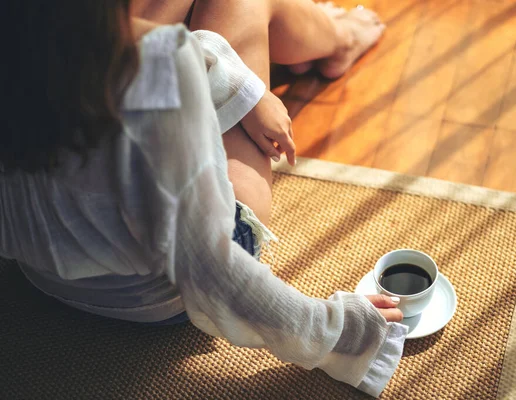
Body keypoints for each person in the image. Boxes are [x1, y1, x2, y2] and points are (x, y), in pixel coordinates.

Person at [1, 0, 405, 397]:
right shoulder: (159, 67)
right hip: (164, 296)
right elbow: (212, 270)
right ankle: (339, 36)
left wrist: (235, 81)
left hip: (45, 276)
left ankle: (322, 34)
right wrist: (339, 334)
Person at [133, 0, 386, 227]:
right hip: (211, 234)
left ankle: (310, 29)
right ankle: (332, 36)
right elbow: (112, 43)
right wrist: (238, 87)